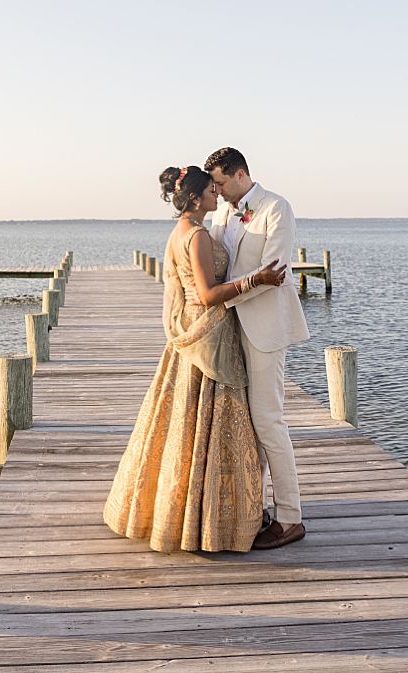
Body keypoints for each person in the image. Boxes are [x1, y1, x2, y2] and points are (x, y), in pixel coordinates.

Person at [103, 165, 287, 552]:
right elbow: (206, 294)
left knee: (187, 424)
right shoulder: (199, 235)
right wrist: (258, 280)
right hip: (209, 333)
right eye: (211, 190)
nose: (217, 195)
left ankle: (188, 509)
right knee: (215, 424)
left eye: (218, 187)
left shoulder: (182, 230)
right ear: (194, 197)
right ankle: (217, 516)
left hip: (194, 330)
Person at [205, 146, 312, 550]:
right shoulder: (222, 212)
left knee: (268, 420)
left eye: (219, 183)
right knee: (245, 423)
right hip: (229, 327)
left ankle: (290, 518)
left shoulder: (276, 208)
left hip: (266, 328)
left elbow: (275, 272)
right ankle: (255, 507)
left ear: (239, 175)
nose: (216, 191)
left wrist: (223, 295)